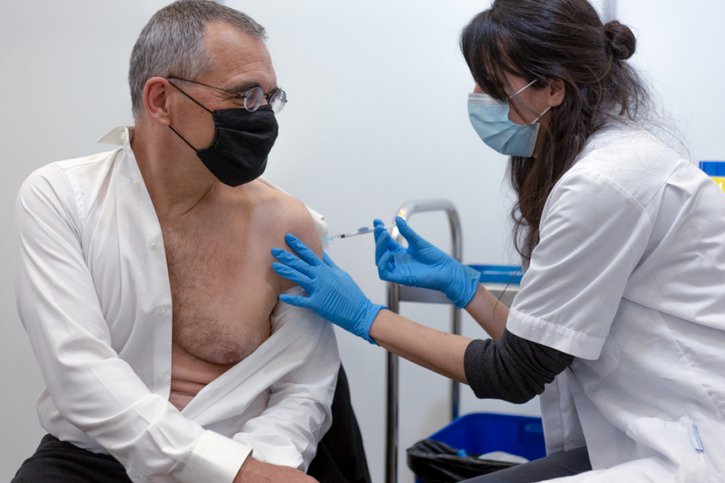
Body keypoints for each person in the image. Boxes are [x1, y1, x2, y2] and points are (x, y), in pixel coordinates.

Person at [271, 0, 725, 481]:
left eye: (492, 84)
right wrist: (464, 288)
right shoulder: (602, 164)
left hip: (690, 443)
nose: (478, 96)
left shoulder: (604, 182)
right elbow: (544, 340)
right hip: (641, 433)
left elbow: (514, 372)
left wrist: (366, 316)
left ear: (553, 87)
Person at [12, 1, 342, 482]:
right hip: (95, 459)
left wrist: (256, 467)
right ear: (161, 100)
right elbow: (79, 372)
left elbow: (304, 386)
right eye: (244, 96)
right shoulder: (62, 199)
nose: (264, 116)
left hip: (250, 451)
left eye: (271, 98)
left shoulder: (289, 224)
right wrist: (227, 472)